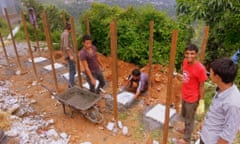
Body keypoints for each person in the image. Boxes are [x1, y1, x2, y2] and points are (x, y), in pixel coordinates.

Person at [200, 58, 240, 144]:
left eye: (210, 72)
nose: (208, 74)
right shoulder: (222, 89)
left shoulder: (233, 103)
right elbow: (216, 112)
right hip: (206, 136)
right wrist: (205, 122)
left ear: (217, 77)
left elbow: (228, 134)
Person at [176, 44, 208, 144]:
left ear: (196, 54)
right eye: (187, 53)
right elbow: (186, 75)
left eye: (192, 53)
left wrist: (201, 101)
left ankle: (186, 139)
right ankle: (186, 130)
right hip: (185, 94)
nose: (189, 56)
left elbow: (202, 86)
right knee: (185, 116)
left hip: (192, 98)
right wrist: (181, 76)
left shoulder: (200, 69)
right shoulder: (185, 62)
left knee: (190, 119)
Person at [60, 23, 76, 88]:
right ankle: (71, 85)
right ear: (69, 28)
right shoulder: (66, 34)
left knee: (72, 69)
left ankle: (71, 82)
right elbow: (66, 46)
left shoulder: (63, 33)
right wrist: (70, 55)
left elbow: (62, 46)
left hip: (67, 54)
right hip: (69, 54)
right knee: (72, 70)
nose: (72, 30)